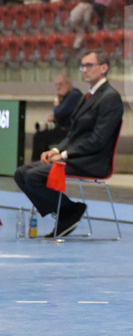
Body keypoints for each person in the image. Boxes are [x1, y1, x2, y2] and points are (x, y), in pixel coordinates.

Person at [14, 49, 123, 238]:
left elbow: (97, 140)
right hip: (76, 156)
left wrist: (64, 155)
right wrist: (55, 149)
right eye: (82, 66)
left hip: (93, 161)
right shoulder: (86, 96)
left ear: (104, 68)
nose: (84, 70)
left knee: (33, 177)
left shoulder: (110, 98)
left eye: (89, 65)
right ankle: (68, 210)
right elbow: (72, 134)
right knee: (21, 173)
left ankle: (69, 212)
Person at [31, 74, 84, 161]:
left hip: (70, 133)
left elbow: (59, 113)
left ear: (68, 84)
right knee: (42, 134)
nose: (58, 87)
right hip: (64, 130)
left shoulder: (74, 95)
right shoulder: (67, 97)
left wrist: (56, 102)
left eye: (60, 84)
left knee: (40, 137)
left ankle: (37, 163)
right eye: (56, 85)